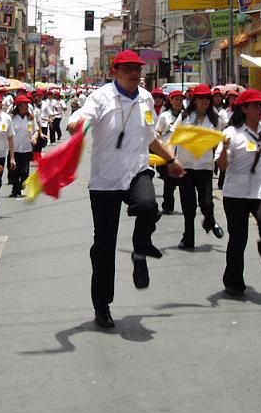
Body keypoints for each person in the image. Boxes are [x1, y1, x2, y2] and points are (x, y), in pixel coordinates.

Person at [68, 50, 184, 329]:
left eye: (137, 68)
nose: (135, 73)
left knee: (147, 206)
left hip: (136, 170)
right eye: (128, 68)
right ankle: (102, 306)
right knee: (104, 248)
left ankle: (140, 250)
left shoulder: (145, 98)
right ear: (115, 71)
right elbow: (81, 118)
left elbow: (150, 137)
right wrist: (76, 125)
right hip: (105, 179)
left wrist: (170, 159)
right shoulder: (101, 97)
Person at [217, 90, 261, 295]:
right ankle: (233, 281)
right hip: (237, 192)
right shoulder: (231, 133)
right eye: (256, 105)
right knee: (238, 239)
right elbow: (222, 166)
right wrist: (225, 150)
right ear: (244, 108)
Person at [172, 84, 224, 250]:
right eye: (201, 98)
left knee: (207, 203)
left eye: (207, 98)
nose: (204, 101)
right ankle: (188, 238)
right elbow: (174, 136)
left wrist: (217, 156)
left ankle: (210, 221)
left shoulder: (215, 118)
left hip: (205, 166)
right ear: (194, 100)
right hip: (185, 165)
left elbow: (220, 140)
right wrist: (170, 160)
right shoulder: (185, 116)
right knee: (189, 206)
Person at [155, 90, 184, 215]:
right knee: (169, 183)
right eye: (176, 99)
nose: (178, 102)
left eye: (180, 99)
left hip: (183, 153)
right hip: (168, 153)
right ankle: (167, 205)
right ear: (171, 101)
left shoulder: (186, 115)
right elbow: (158, 133)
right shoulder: (164, 116)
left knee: (183, 183)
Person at [9, 95, 37, 197]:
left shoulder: (30, 118)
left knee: (25, 171)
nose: (27, 106)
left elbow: (36, 130)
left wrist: (34, 137)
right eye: (24, 104)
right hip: (15, 149)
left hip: (26, 148)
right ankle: (15, 190)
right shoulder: (12, 118)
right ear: (19, 106)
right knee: (15, 171)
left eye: (27, 104)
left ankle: (22, 185)